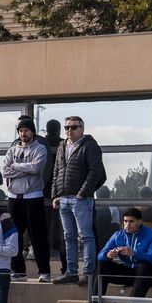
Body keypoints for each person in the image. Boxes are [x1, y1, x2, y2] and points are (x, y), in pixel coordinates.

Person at [52, 115, 106, 285]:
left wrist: (83, 193)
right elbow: (57, 171)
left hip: (80, 199)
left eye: (74, 127)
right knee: (69, 237)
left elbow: (95, 172)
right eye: (67, 127)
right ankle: (71, 272)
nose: (69, 130)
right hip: (64, 198)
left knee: (86, 237)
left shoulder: (90, 145)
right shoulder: (62, 145)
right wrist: (55, 195)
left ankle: (88, 273)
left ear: (82, 128)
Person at [2, 116, 52, 281]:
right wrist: (26, 169)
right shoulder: (12, 150)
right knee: (14, 235)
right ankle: (18, 271)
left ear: (32, 132)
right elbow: (5, 171)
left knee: (37, 236)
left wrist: (15, 166)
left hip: (33, 197)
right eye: (21, 131)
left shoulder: (40, 149)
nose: (23, 133)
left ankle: (44, 271)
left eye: (26, 130)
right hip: (13, 197)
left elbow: (37, 167)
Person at [96, 207, 152, 303]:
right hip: (128, 273)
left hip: (147, 275)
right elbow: (100, 256)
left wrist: (134, 253)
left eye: (131, 221)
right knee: (102, 264)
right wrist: (108, 255)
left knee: (144, 265)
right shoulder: (118, 235)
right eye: (125, 221)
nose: (127, 224)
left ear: (140, 222)